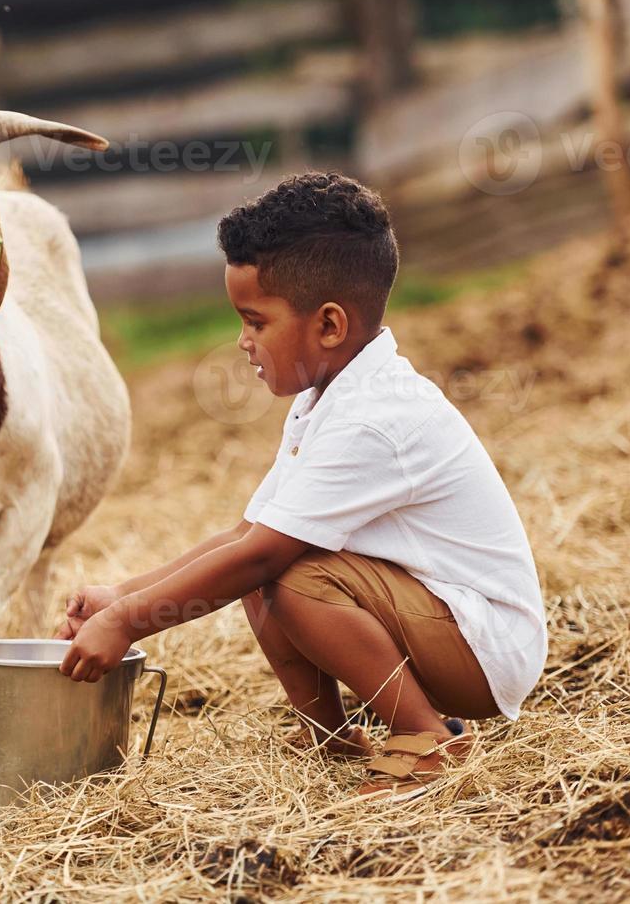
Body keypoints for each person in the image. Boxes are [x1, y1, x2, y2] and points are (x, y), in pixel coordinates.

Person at [56, 172, 546, 799]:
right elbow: (244, 535)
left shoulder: (375, 417)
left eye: (255, 321)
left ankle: (427, 738)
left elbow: (262, 555)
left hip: (487, 649)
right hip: (441, 621)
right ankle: (333, 738)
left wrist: (128, 623)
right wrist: (118, 595)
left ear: (330, 326)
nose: (243, 341)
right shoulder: (329, 397)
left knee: (287, 575)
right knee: (264, 567)